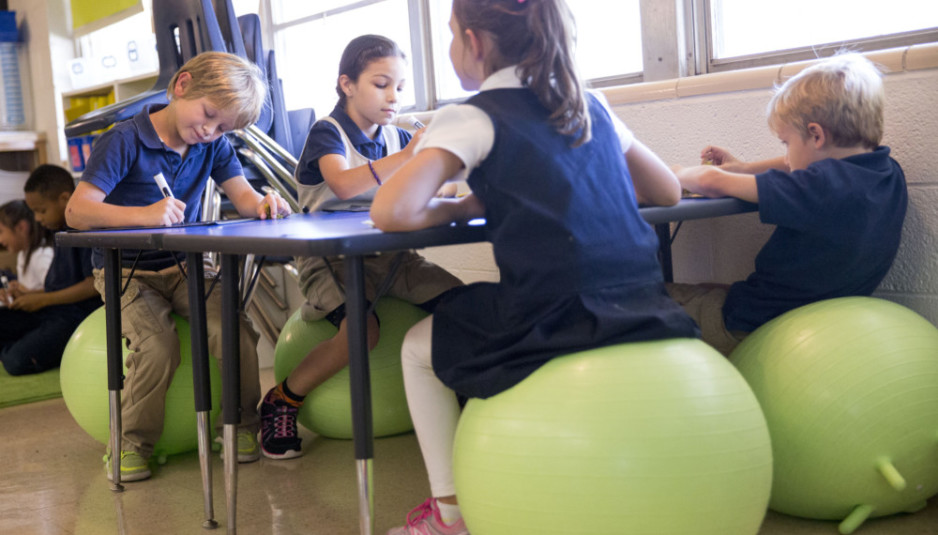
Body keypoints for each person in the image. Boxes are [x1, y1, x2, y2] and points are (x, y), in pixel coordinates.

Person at [369, 1, 700, 532]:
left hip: (551, 315)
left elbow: (390, 210)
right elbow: (665, 189)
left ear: (474, 43)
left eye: (451, 35)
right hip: (644, 304)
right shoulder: (590, 104)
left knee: (415, 350)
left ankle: (449, 515)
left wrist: (461, 205)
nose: (453, 48)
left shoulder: (473, 114)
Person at [65, 51, 291, 482]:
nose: (210, 131)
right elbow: (78, 212)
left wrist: (264, 202)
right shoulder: (124, 140)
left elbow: (242, 196)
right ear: (182, 85)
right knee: (158, 345)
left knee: (234, 328)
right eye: (208, 115)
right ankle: (130, 445)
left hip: (183, 265)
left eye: (222, 126)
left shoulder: (213, 145)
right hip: (126, 272)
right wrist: (144, 215)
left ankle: (240, 425)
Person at [259, 34, 463, 460]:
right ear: (347, 84)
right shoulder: (326, 132)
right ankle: (283, 399)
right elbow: (344, 182)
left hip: (392, 257)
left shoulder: (392, 138)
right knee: (362, 333)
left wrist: (444, 181)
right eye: (381, 83)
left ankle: (465, 395)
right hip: (329, 260)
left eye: (401, 87)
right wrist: (410, 156)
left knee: (465, 304)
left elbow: (415, 191)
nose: (394, 96)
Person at [670, 52, 907, 357]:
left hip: (752, 324)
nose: (785, 155)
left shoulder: (819, 187)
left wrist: (677, 174)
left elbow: (713, 182)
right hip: (814, 314)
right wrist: (742, 168)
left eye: (786, 142)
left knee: (653, 297)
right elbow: (796, 168)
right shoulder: (888, 174)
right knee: (708, 287)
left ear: (816, 135)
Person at [0, 165, 100, 376]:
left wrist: (43, 300)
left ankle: (50, 349)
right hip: (52, 310)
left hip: (74, 316)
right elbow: (61, 286)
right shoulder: (59, 231)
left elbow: (94, 284)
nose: (36, 219)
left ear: (64, 199)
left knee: (15, 361)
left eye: (41, 210)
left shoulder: (85, 229)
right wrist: (29, 295)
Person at [0, 199, 54, 296]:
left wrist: (27, 294)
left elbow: (56, 291)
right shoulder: (23, 253)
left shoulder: (41, 256)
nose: (0, 239)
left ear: (21, 227)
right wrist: (19, 287)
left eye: (1, 232)